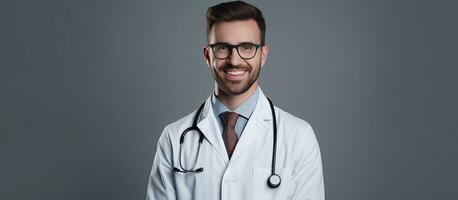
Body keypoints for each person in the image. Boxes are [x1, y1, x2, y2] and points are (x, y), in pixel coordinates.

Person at [146, 1, 325, 199]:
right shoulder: (173, 138)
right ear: (208, 55)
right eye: (223, 48)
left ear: (263, 55)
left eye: (246, 47)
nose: (234, 60)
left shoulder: (299, 137)